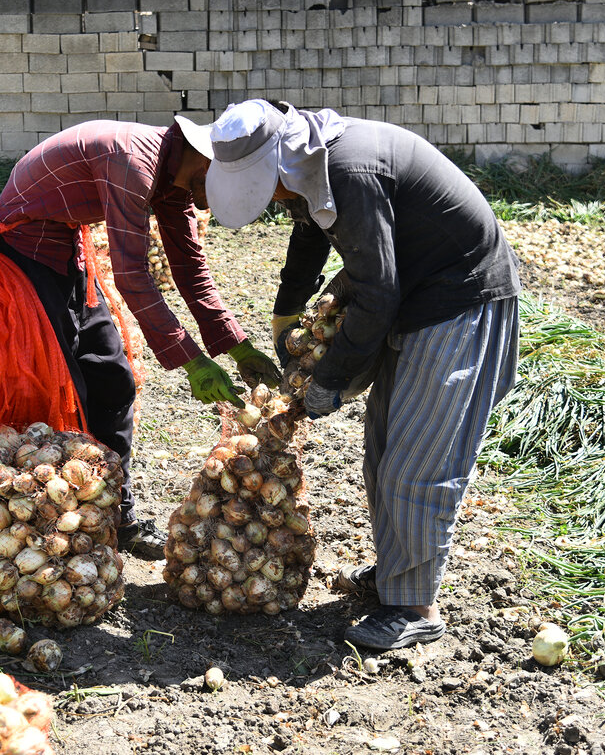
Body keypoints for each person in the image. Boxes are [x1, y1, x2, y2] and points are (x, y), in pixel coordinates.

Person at [190, 99, 521, 649]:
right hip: (420, 299)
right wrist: (287, 313)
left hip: (460, 303)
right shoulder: (314, 161)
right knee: (383, 447)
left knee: (417, 461)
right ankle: (397, 576)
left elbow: (378, 292)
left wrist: (328, 380)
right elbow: (312, 234)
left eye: (262, 185)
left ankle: (415, 607)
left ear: (277, 162)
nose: (271, 199)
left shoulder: (348, 169)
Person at [0, 117, 282, 559]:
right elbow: (131, 274)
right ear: (204, 162)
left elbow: (190, 268)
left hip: (67, 251)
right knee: (70, 390)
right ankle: (55, 525)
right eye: (219, 185)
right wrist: (192, 361)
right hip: (22, 254)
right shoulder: (133, 161)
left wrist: (236, 345)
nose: (212, 199)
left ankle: (113, 513)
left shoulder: (175, 179)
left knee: (114, 380)